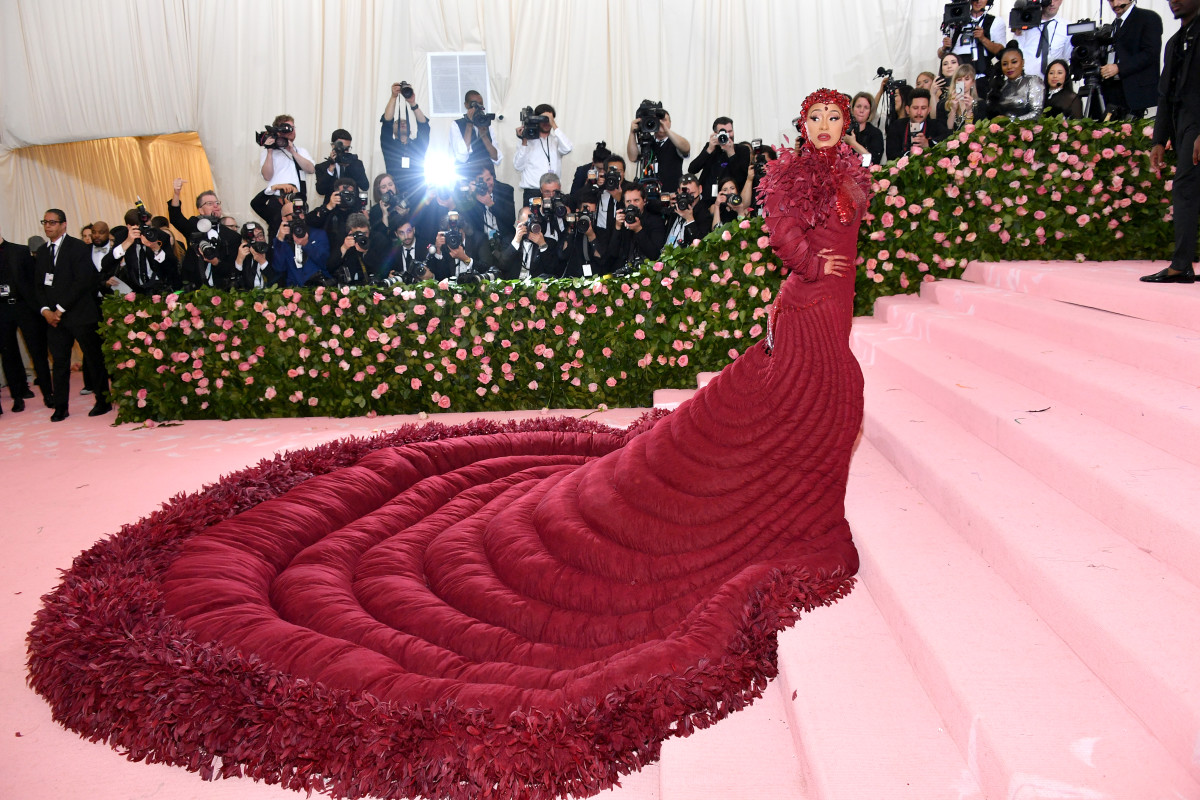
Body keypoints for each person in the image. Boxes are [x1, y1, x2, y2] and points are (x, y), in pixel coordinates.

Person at [1141, 0, 1200, 284]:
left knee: (1185, 188)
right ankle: (1182, 264)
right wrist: (1159, 140)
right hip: (1182, 123)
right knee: (1187, 189)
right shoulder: (1175, 42)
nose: (1173, 1)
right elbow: (1165, 94)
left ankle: (1180, 265)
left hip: (1197, 122)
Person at [34, 209, 111, 421]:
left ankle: (103, 401)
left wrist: (60, 308)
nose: (48, 226)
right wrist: (46, 311)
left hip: (80, 314)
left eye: (52, 222)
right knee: (59, 363)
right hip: (54, 320)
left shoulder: (78, 248)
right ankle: (61, 407)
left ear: (63, 224)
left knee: (94, 359)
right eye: (45, 222)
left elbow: (82, 282)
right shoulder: (42, 252)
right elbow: (38, 286)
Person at [0, 222, 47, 412]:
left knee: (37, 350)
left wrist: (39, 307)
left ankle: (48, 393)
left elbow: (34, 281)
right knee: (8, 354)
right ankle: (17, 395)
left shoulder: (19, 251)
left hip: (24, 306)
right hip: (2, 310)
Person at [1100, 0, 1163, 120]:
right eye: (1111, 0)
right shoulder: (1114, 25)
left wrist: (1119, 67)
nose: (1115, 4)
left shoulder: (1148, 17)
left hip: (1139, 95)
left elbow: (1150, 53)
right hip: (1115, 94)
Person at [939, 0, 1005, 97]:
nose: (978, 1)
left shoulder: (995, 21)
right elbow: (942, 55)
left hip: (981, 76)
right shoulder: (957, 19)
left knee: (979, 106)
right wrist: (944, 48)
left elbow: (1001, 51)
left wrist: (983, 39)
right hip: (959, 78)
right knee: (960, 104)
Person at [512, 103, 573, 206]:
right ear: (536, 119)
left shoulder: (556, 140)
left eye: (548, 119)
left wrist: (554, 125)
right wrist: (524, 141)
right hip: (533, 192)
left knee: (554, 222)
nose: (546, 122)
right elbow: (518, 166)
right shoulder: (527, 142)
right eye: (543, 119)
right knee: (534, 222)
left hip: (553, 192)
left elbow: (568, 148)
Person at [380, 82, 431, 202]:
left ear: (410, 128)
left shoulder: (418, 145)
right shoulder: (389, 145)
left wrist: (412, 103)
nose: (402, 123)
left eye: (405, 122)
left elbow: (424, 126)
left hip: (417, 193)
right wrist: (393, 97)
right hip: (394, 193)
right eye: (398, 122)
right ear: (393, 129)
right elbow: (387, 122)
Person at [626, 105, 691, 193]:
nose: (660, 122)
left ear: (670, 123)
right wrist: (632, 133)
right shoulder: (646, 141)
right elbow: (632, 157)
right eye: (657, 120)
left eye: (664, 120)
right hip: (649, 193)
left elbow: (686, 148)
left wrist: (667, 130)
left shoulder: (675, 141)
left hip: (672, 193)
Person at [688, 117, 752, 203]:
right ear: (715, 134)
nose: (728, 135)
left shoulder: (742, 150)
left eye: (730, 131)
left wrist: (731, 153)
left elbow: (741, 178)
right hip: (706, 200)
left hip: (730, 200)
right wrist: (709, 150)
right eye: (724, 133)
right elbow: (692, 169)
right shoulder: (711, 147)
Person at [272, 200, 331, 287]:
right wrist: (280, 239)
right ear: (284, 219)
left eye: (301, 212)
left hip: (319, 287)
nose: (299, 216)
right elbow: (279, 268)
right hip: (294, 291)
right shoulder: (282, 241)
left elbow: (325, 263)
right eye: (294, 214)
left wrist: (306, 244)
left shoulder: (318, 234)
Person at [259, 114, 316, 203]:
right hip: (277, 199)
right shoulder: (268, 152)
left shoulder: (301, 151)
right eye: (287, 128)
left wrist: (292, 151)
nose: (291, 131)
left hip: (297, 198)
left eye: (293, 127)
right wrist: (269, 151)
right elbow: (267, 176)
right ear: (278, 131)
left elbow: (311, 170)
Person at [1013, 0, 1072, 78]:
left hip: (1053, 81)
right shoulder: (1025, 23)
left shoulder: (1067, 27)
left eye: (1056, 0)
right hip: (1026, 81)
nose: (1052, 3)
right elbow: (1016, 53)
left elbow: (1068, 58)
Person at [988, 43, 1046, 121]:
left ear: (1022, 62)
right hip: (1002, 131)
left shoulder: (1032, 81)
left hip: (1028, 130)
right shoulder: (999, 86)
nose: (1009, 67)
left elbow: (1037, 113)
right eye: (1005, 64)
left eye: (1014, 62)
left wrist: (1010, 121)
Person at [886, 88, 949, 159]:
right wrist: (909, 155)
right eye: (915, 108)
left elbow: (946, 141)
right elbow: (891, 155)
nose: (919, 112)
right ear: (907, 109)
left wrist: (929, 143)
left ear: (929, 110)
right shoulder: (896, 126)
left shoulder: (936, 125)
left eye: (923, 108)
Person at [450, 90, 502, 173]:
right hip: (468, 176)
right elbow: (461, 157)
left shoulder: (487, 125)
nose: (477, 107)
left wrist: (484, 136)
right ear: (466, 105)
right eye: (473, 104)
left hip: (488, 177)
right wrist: (469, 125)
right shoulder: (456, 125)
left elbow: (496, 158)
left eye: (480, 104)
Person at [315, 129, 370, 204]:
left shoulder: (356, 164)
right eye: (342, 148)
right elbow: (321, 191)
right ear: (333, 146)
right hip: (332, 209)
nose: (345, 151)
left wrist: (350, 166)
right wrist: (331, 167)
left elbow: (365, 186)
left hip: (352, 209)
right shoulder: (322, 167)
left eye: (347, 148)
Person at [664, 173, 712, 247]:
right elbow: (650, 207)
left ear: (700, 189)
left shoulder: (705, 213)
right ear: (678, 191)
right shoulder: (676, 205)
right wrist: (666, 201)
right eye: (684, 193)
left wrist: (690, 219)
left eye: (692, 194)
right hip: (665, 253)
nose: (688, 198)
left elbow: (700, 244)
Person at [845, 92, 885, 165]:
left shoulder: (875, 133)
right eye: (858, 106)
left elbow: (873, 161)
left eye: (866, 108)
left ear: (870, 112)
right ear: (852, 108)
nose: (861, 111)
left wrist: (853, 143)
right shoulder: (845, 130)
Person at [945, 64, 988, 129]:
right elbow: (948, 130)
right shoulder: (945, 104)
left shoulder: (980, 104)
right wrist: (953, 110)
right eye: (959, 79)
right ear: (955, 82)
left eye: (966, 79)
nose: (963, 82)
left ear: (972, 82)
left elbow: (972, 132)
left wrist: (969, 111)